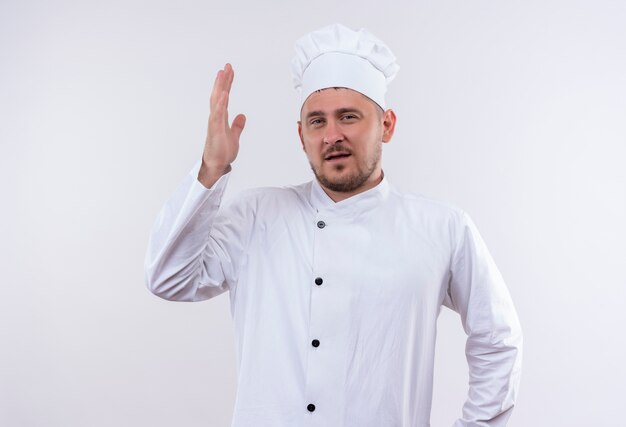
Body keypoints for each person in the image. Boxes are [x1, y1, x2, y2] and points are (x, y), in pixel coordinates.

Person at [145, 23, 522, 427]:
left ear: (387, 125)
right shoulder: (255, 214)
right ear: (301, 134)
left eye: (348, 117)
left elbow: (498, 340)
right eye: (317, 121)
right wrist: (211, 169)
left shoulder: (442, 227)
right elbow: (169, 279)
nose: (332, 135)